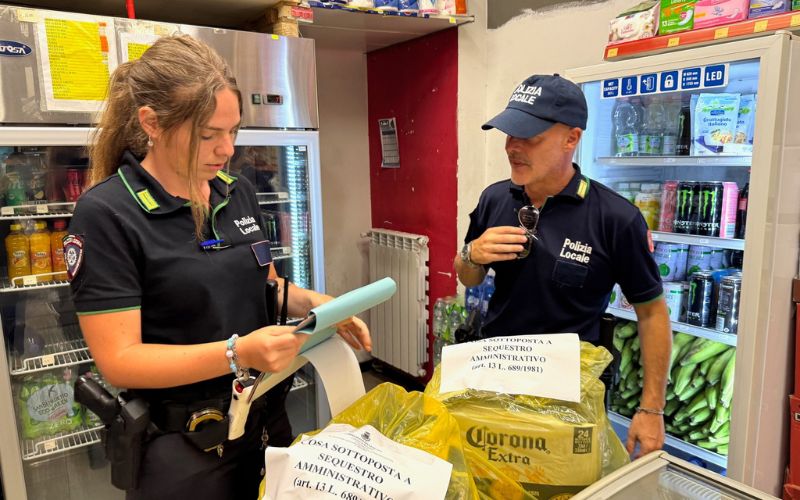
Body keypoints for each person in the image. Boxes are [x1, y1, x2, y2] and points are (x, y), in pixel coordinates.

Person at [66, 35, 371, 499]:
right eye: (208, 135)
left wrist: (319, 305)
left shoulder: (236, 191)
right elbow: (120, 361)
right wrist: (237, 353)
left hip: (265, 419)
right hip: (183, 449)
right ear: (151, 123)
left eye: (233, 131)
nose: (226, 149)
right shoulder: (107, 214)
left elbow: (265, 286)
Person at [454, 74, 670, 458]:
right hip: (495, 378)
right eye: (509, 134)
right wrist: (471, 254)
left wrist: (651, 409)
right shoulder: (494, 199)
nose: (513, 148)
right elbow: (469, 277)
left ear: (571, 138)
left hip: (570, 396)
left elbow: (652, 313)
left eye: (530, 136)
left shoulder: (616, 218)